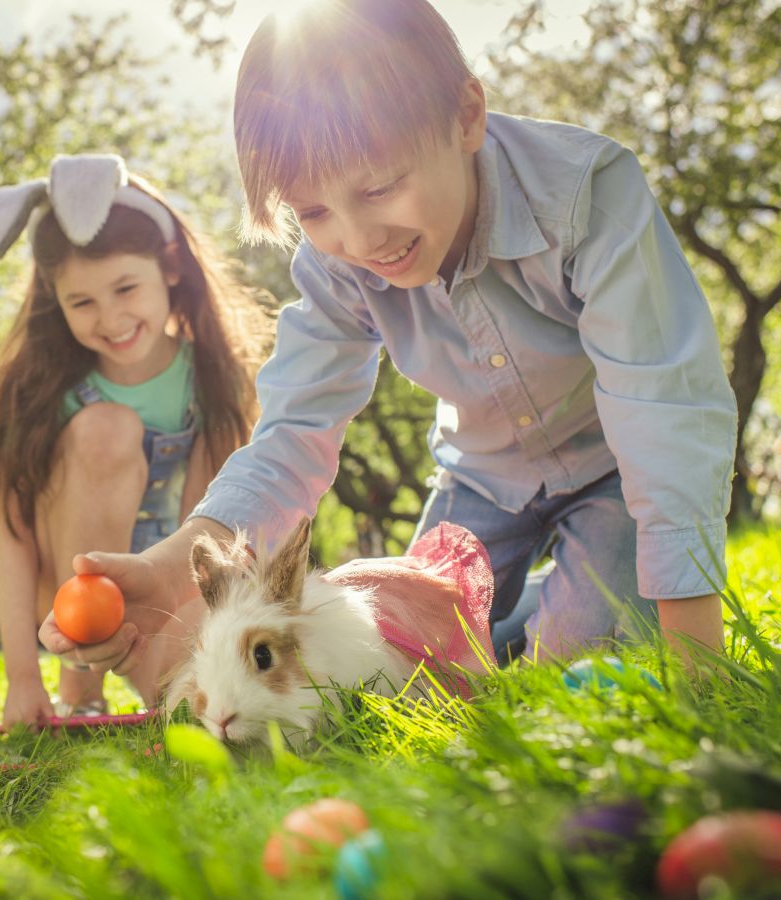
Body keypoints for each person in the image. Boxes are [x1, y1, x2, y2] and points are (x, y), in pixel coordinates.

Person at [37, 0, 738, 683]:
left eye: (379, 188)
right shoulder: (337, 268)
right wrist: (170, 569)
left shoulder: (586, 196)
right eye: (312, 210)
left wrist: (698, 657)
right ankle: (533, 607)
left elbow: (663, 410)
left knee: (576, 654)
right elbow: (292, 436)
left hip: (615, 467)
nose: (357, 240)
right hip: (483, 478)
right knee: (407, 654)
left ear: (466, 116)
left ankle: (572, 609)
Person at [0, 154, 266, 730]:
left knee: (183, 702)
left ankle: (184, 663)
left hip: (170, 583)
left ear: (169, 268)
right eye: (82, 302)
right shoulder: (51, 392)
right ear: (55, 298)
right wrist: (23, 679)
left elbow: (217, 524)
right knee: (107, 428)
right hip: (71, 594)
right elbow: (17, 539)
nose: (111, 318)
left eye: (125, 287)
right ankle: (81, 687)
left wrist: (199, 646)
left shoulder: (211, 379)